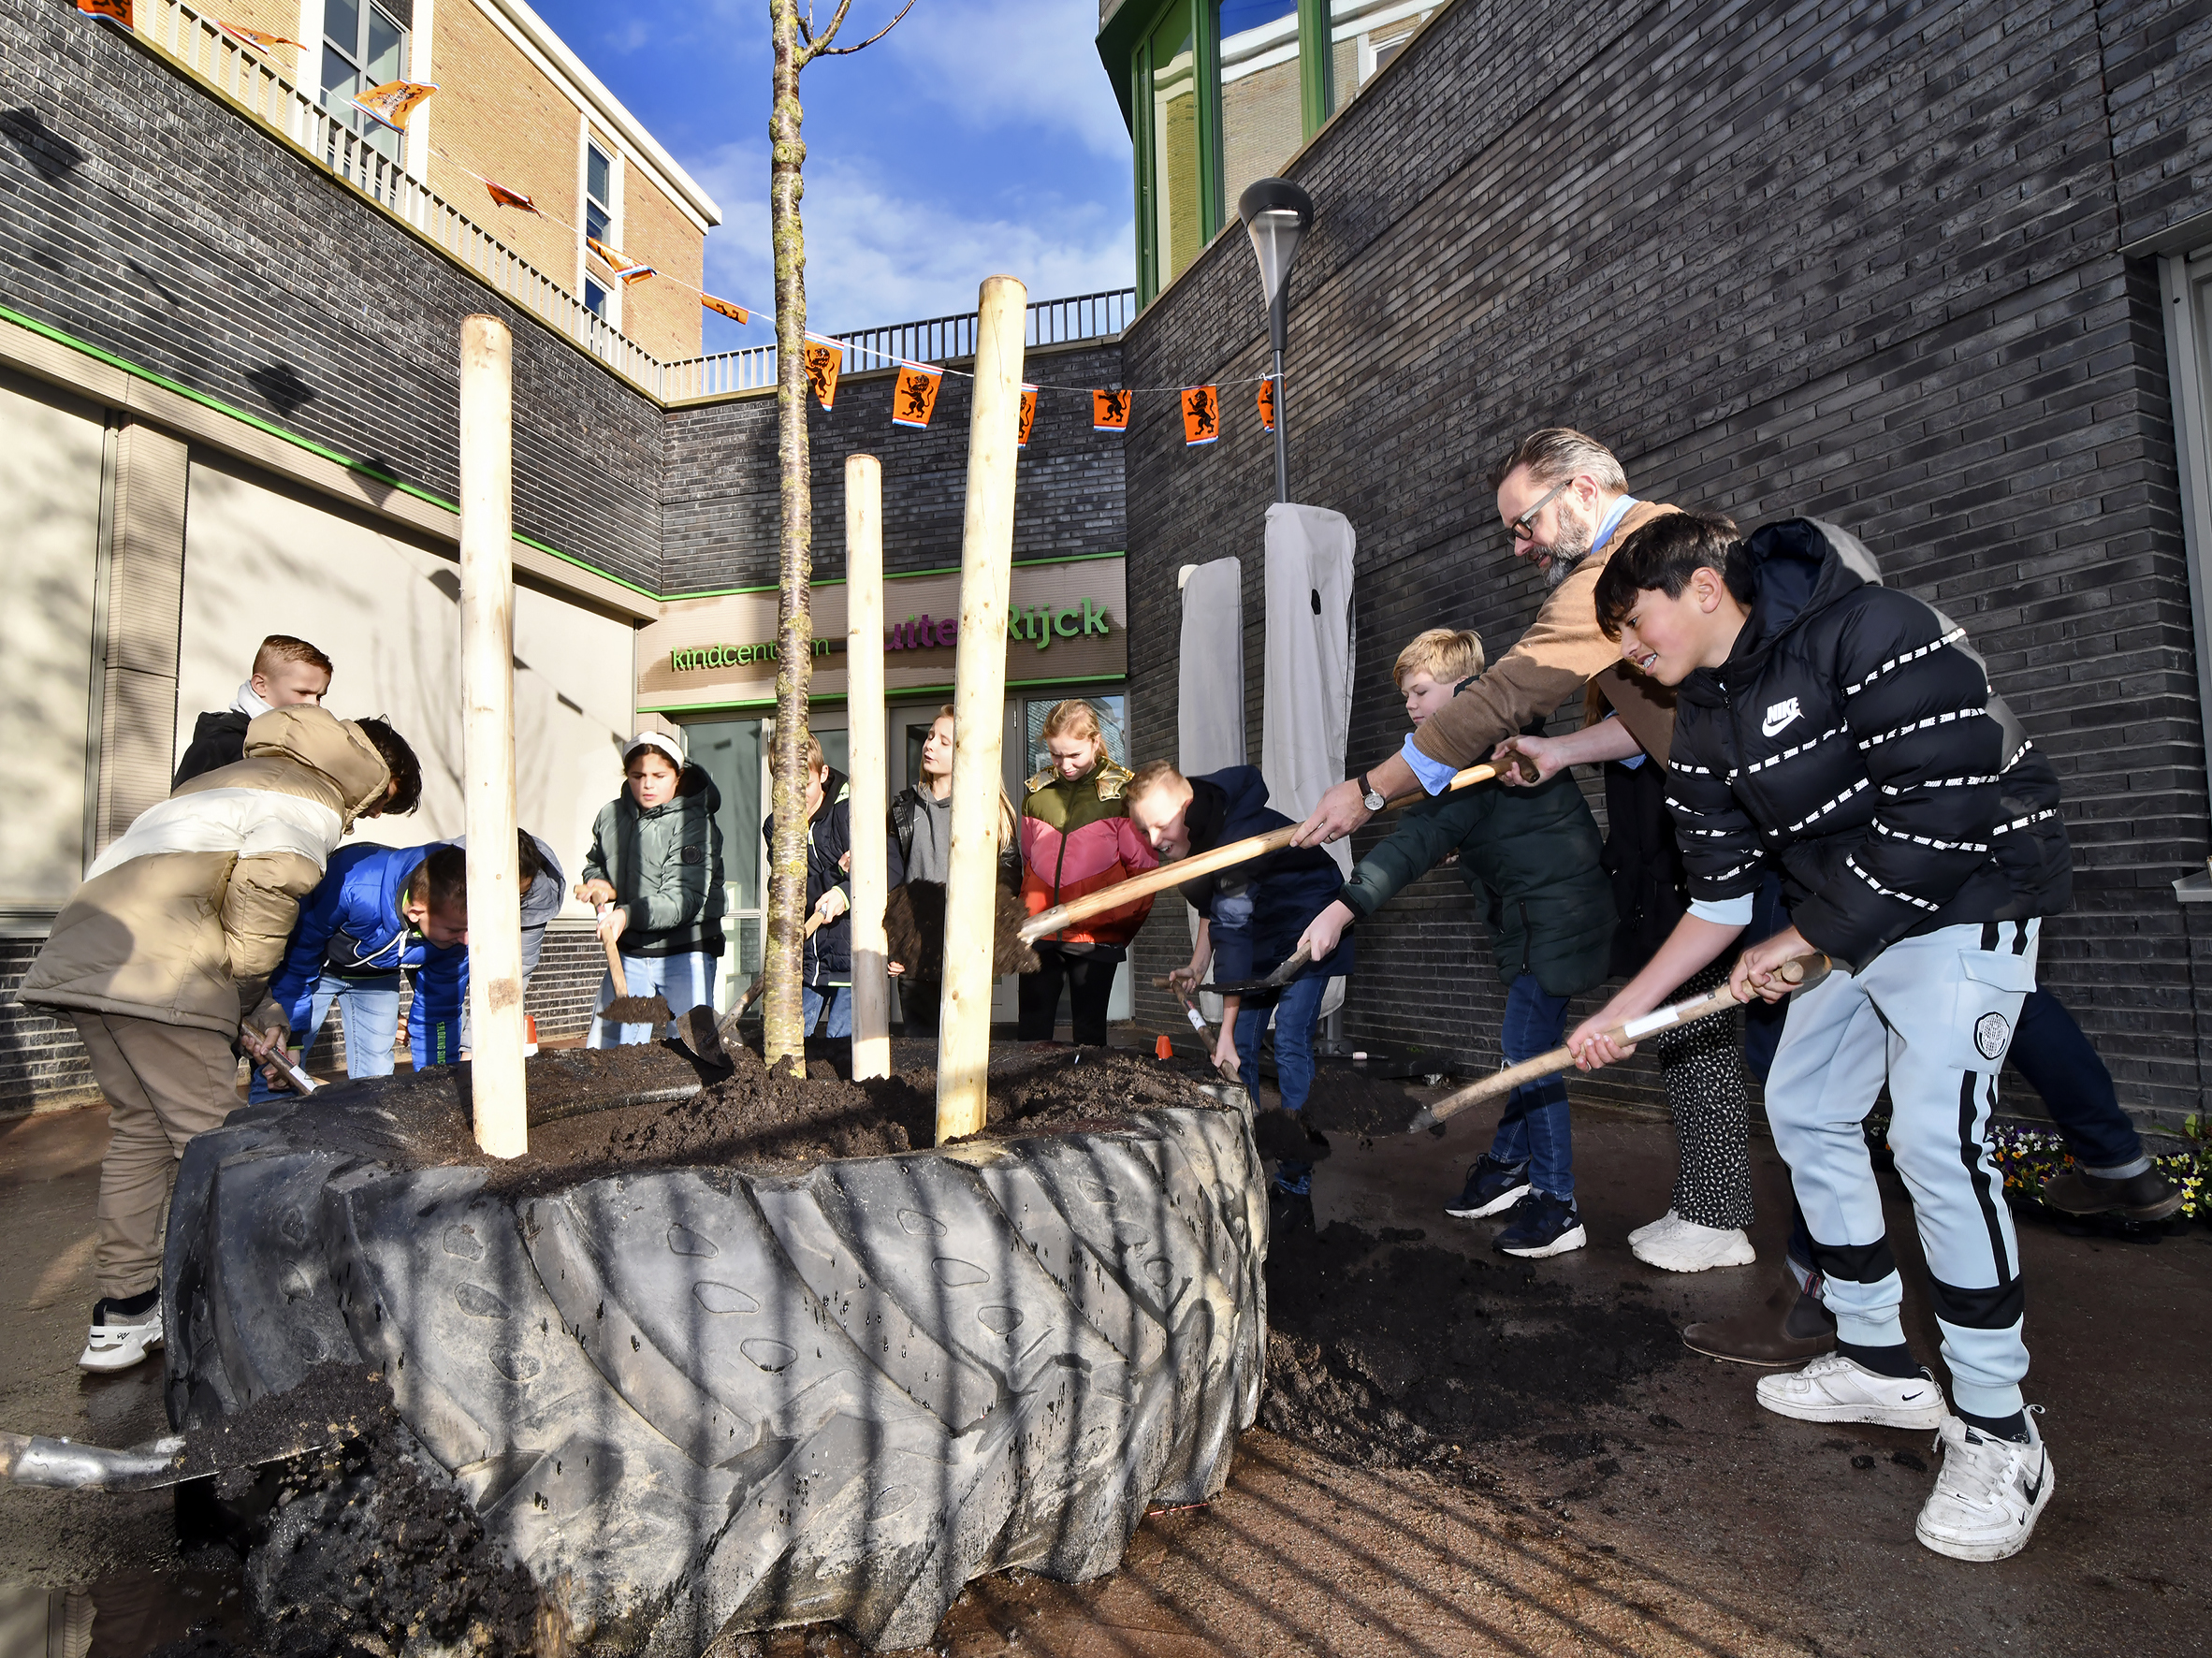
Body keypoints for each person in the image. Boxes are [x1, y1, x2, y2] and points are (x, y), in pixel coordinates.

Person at [1571, 510, 2072, 1562]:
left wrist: (1799, 939)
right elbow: (1716, 898)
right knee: (1803, 1104)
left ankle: (1999, 1426)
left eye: (1632, 620)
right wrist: (1624, 1009)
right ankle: (1882, 1359)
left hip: (1969, 891)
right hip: (1850, 916)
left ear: (1704, 585)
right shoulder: (1701, 722)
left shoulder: (1876, 628)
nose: (1627, 648)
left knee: (1936, 1138)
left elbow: (1943, 810)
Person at [1299, 429, 1765, 1273]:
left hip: (1747, 817)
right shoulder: (1628, 576)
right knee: (1726, 1024)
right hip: (1696, 816)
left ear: (1583, 492)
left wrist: (1369, 789)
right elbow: (1655, 723)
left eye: (1526, 523)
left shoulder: (1618, 571)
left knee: (1757, 1037)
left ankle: (1729, 1218)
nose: (1520, 546)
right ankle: (1712, 1206)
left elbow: (1507, 693)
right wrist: (1563, 753)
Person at [19, 705, 418, 1372]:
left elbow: (200, 893)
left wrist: (255, 1010)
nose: (365, 820)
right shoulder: (310, 798)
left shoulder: (225, 779)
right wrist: (233, 1001)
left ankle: (124, 1316)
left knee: (140, 1137)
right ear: (374, 775)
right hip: (164, 977)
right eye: (378, 807)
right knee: (228, 1154)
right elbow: (266, 892)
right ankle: (266, 1322)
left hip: (92, 959)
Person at [1296, 629, 1616, 1258]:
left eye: (1420, 692)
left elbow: (1414, 839)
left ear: (1459, 690)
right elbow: (1463, 827)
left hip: (1552, 920)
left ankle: (1557, 1204)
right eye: (1407, 697)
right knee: (1527, 1045)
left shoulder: (1477, 751)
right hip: (1545, 917)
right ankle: (1508, 1164)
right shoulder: (1478, 752)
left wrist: (1343, 907)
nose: (1411, 708)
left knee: (1531, 1053)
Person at [1128, 761, 1349, 1232]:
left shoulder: (1235, 836)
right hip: (1259, 932)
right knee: (1241, 1051)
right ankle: (1246, 1160)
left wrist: (1223, 1030)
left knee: (1289, 1039)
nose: (1153, 840)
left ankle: (1295, 1179)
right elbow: (1216, 911)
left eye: (1161, 824)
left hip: (1308, 923)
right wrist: (1195, 966)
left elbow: (1233, 929)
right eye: (1144, 829)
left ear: (1186, 806)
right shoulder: (1199, 829)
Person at [251, 831, 547, 1101]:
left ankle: (367, 1139)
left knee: (376, 1074)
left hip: (375, 976)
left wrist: (440, 1088)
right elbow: (299, 957)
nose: (467, 941)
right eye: (457, 931)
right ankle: (260, 1133)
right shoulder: (354, 887)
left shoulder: (454, 930)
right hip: (315, 972)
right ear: (417, 912)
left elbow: (439, 1011)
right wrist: (295, 1037)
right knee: (281, 1061)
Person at [1017, 700, 1157, 1046]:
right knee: (1031, 1034)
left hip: (1096, 937)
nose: (1064, 765)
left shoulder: (1125, 793)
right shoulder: (1036, 793)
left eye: (1074, 755)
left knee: (1090, 1037)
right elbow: (1027, 861)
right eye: (1055, 755)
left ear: (1095, 741)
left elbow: (1145, 874)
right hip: (1039, 933)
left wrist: (1115, 926)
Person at [578, 731, 725, 1045]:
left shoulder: (695, 824)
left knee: (690, 1050)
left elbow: (683, 898)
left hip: (686, 952)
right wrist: (602, 885)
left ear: (678, 775)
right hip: (629, 954)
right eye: (637, 775)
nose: (647, 784)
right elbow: (596, 862)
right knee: (612, 1053)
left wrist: (625, 915)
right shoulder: (610, 816)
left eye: (659, 775)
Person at [885, 705, 1022, 1037]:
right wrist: (894, 941)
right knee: (920, 1055)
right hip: (915, 958)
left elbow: (1008, 877)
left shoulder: (989, 809)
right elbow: (891, 880)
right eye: (930, 737)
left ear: (963, 750)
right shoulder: (904, 808)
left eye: (944, 741)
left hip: (965, 956)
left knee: (964, 1056)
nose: (929, 745)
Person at [764, 734, 853, 1040]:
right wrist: (836, 873)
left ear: (823, 774)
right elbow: (787, 895)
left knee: (843, 1052)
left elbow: (871, 878)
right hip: (806, 959)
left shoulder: (848, 813)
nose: (796, 793)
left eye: (806, 782)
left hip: (850, 959)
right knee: (790, 1045)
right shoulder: (776, 827)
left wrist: (843, 889)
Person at [172, 634, 333, 788]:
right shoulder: (219, 745)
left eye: (319, 696)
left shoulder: (307, 747)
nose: (314, 704)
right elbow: (182, 811)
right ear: (261, 686)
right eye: (303, 692)